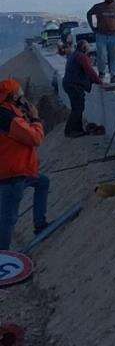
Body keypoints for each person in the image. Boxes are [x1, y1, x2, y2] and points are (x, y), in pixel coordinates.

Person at [0, 79, 49, 250]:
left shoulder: (8, 112)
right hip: (12, 174)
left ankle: (40, 224)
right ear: (13, 96)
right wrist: (35, 118)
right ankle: (3, 254)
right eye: (19, 93)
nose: (22, 96)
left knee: (43, 182)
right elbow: (35, 139)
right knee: (8, 218)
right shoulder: (8, 118)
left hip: (17, 170)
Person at [63, 40, 103, 138]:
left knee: (77, 107)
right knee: (78, 108)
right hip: (74, 85)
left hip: (70, 84)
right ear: (84, 48)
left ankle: (78, 129)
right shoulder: (81, 56)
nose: (89, 48)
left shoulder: (74, 55)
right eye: (87, 46)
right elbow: (89, 71)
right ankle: (70, 131)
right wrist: (100, 82)